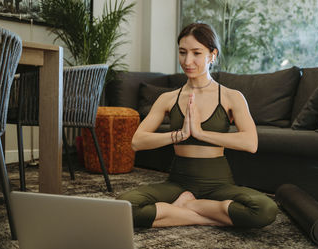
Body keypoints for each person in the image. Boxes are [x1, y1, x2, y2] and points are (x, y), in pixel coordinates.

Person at [117, 22, 278, 228]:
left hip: (218, 184)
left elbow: (250, 143)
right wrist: (179, 135)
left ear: (212, 55)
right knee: (124, 206)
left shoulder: (231, 97)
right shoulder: (168, 98)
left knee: (265, 209)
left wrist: (201, 133)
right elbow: (137, 142)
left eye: (196, 53)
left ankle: (187, 207)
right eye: (183, 52)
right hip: (178, 183)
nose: (188, 60)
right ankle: (205, 214)